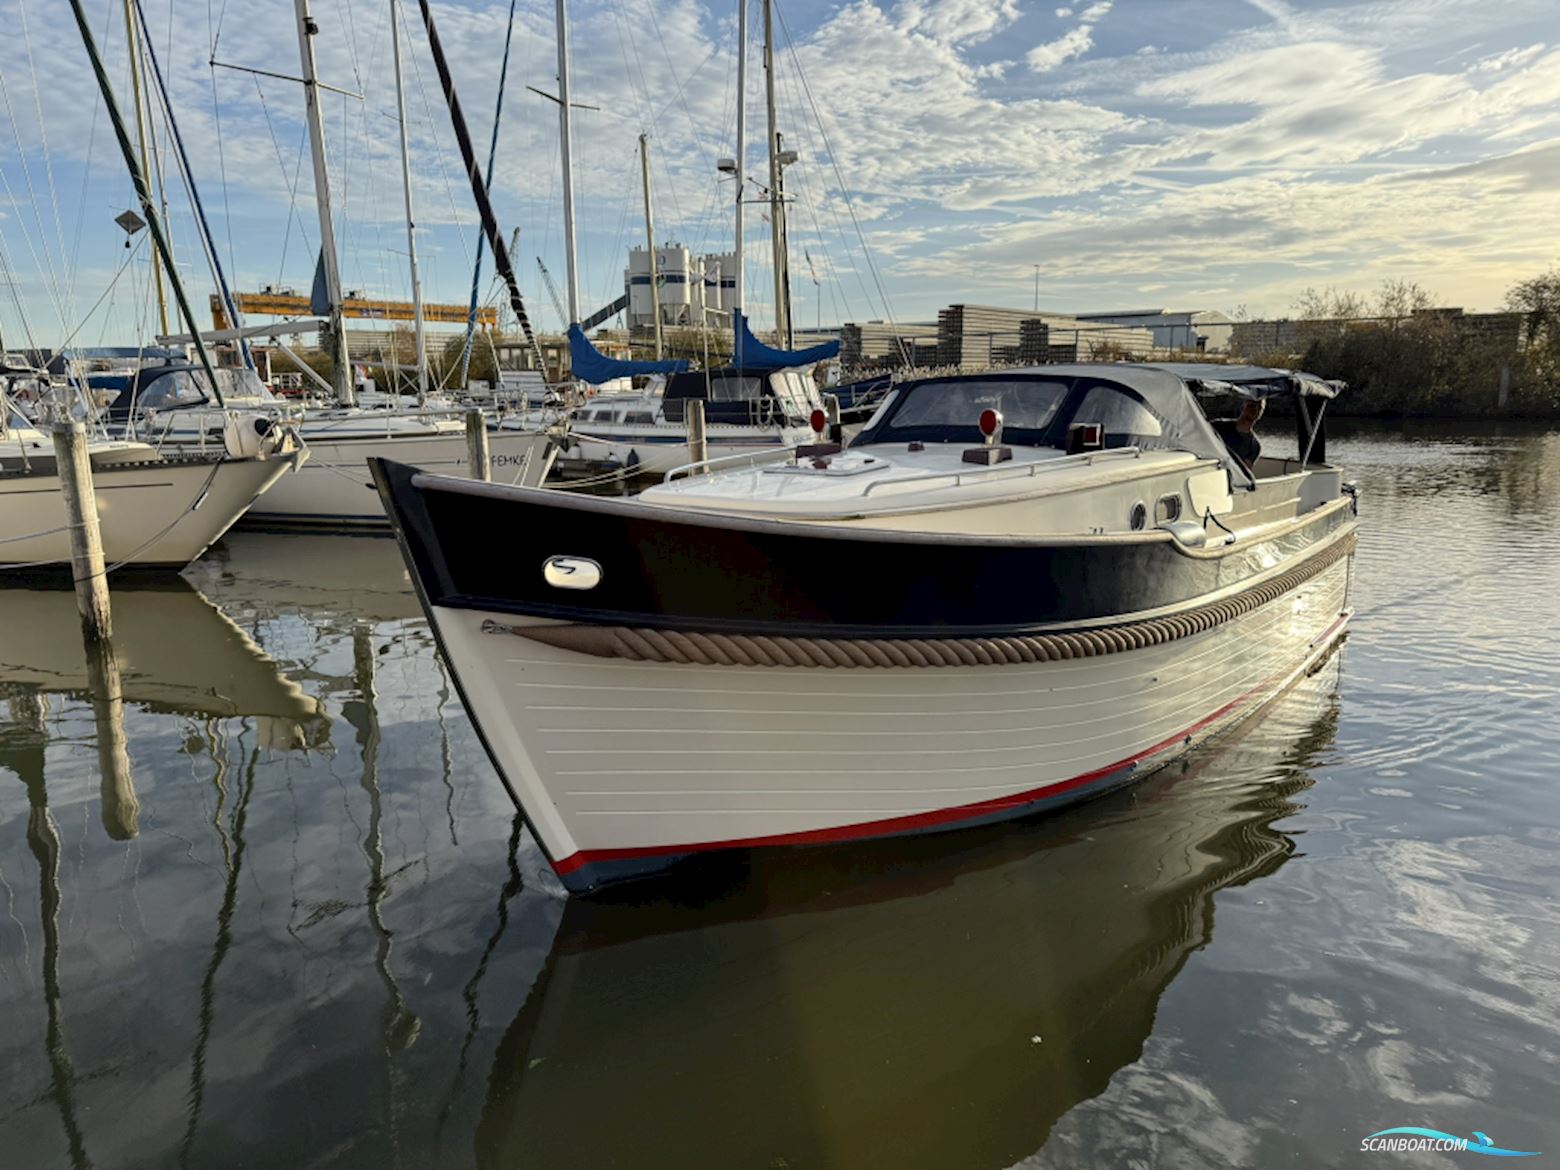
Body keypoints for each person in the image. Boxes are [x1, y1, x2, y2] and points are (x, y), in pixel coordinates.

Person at [1212, 398, 1264, 473]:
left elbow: (1243, 472)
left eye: (1259, 407)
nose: (1255, 409)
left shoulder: (1254, 446)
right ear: (1243, 406)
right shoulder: (1218, 426)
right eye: (1251, 405)